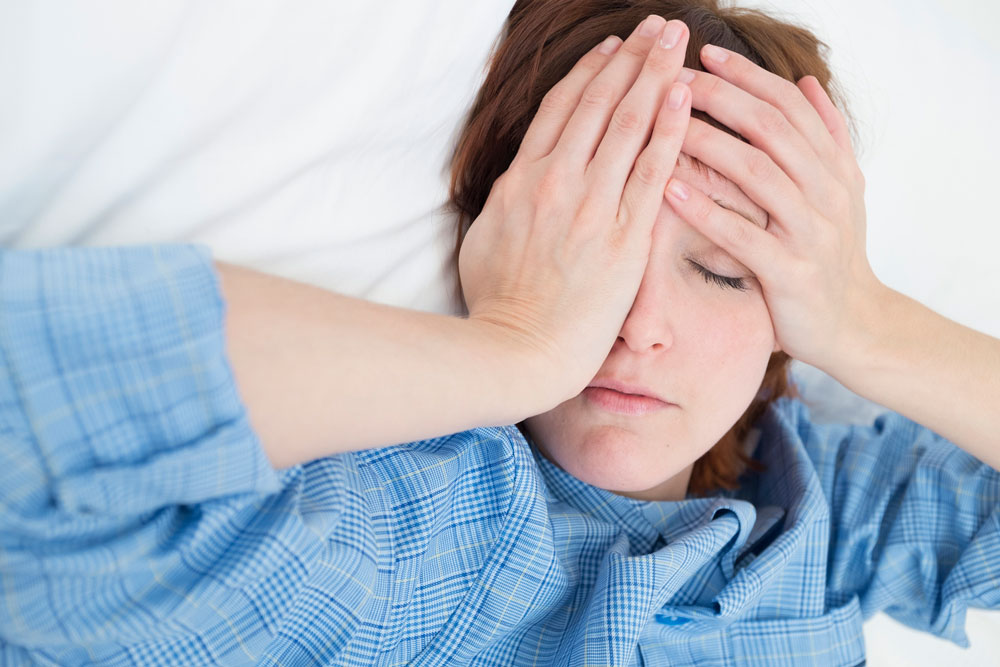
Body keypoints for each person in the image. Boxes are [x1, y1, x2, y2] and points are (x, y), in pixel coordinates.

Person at [1, 1, 997, 666]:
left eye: (724, 270)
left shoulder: (833, 511)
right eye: (589, 256)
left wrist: (868, 324)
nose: (638, 329)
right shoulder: (427, 537)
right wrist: (514, 346)